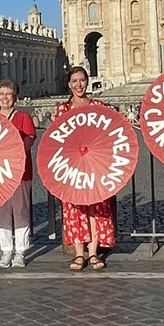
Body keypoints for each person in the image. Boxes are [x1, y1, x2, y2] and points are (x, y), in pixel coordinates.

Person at [56, 66, 115, 271]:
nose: (79, 85)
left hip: (95, 164)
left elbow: (108, 133)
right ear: (69, 84)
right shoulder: (62, 109)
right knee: (75, 209)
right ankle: (79, 253)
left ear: (87, 82)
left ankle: (93, 252)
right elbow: (57, 140)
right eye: (74, 81)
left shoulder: (98, 105)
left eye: (82, 80)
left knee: (95, 208)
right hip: (72, 166)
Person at [0, 79, 36, 269]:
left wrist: (17, 153)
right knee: (2, 211)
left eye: (8, 94)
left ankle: (20, 251)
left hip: (19, 171)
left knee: (20, 210)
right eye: (2, 94)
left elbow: (29, 139)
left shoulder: (23, 117)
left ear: (15, 97)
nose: (4, 98)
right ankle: (5, 250)